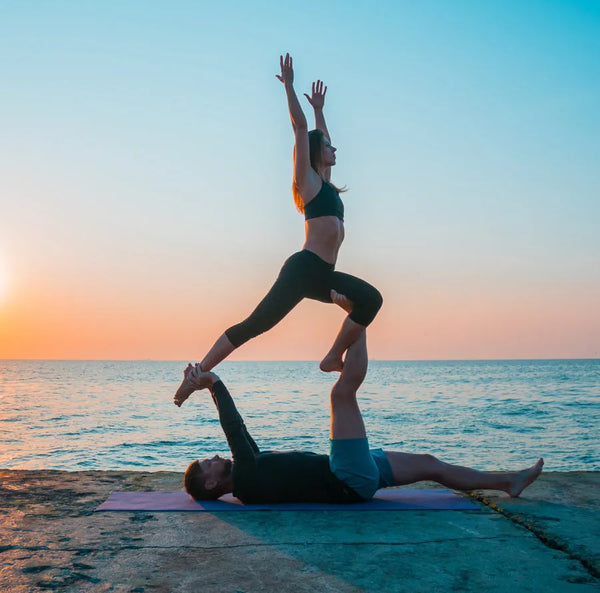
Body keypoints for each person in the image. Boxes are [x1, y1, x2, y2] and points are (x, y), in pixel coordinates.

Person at [182, 297, 544, 503]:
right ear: (212, 484)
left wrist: (210, 385)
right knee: (341, 393)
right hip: (346, 475)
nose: (215, 457)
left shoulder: (251, 471)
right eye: (207, 463)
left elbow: (240, 432)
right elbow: (232, 428)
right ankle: (360, 317)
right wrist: (213, 381)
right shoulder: (245, 481)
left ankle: (507, 482)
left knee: (431, 464)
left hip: (352, 474)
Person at [174, 53, 382, 407]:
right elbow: (302, 132)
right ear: (317, 153)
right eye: (329, 146)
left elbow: (319, 134)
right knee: (256, 325)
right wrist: (289, 88)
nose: (335, 147)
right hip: (304, 271)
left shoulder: (327, 186)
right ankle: (196, 376)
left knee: (371, 300)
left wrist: (319, 109)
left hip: (322, 274)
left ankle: (332, 357)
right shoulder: (309, 183)